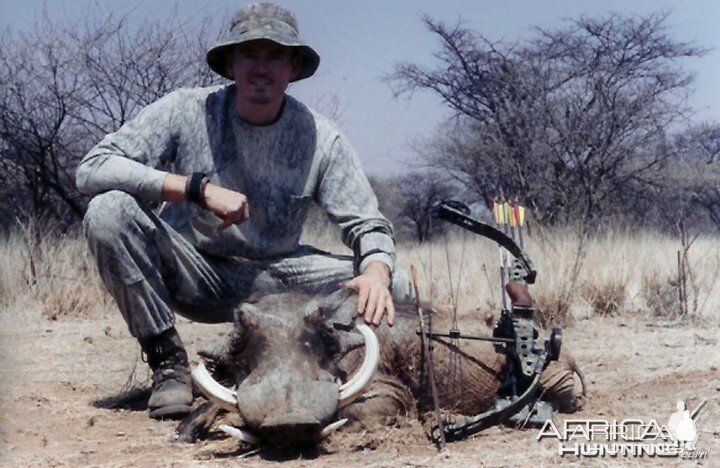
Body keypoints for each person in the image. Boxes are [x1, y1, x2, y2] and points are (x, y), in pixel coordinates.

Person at [76, 2, 413, 419]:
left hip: (280, 279)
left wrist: (376, 269)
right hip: (197, 272)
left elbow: (366, 222)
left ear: (292, 67)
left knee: (394, 285)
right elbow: (92, 168)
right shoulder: (186, 109)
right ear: (231, 63)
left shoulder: (321, 137)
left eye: (275, 56)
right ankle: (168, 362)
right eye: (249, 54)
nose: (261, 68)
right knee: (108, 211)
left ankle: (323, 364)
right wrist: (197, 189)